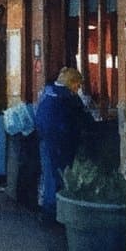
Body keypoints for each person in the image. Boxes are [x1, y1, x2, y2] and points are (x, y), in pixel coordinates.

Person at [34, 67, 95, 221]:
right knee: (61, 176)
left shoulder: (48, 91)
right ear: (71, 82)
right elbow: (84, 119)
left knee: (48, 175)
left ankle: (47, 211)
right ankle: (58, 213)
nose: (78, 88)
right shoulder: (68, 97)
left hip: (45, 139)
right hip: (62, 142)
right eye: (78, 85)